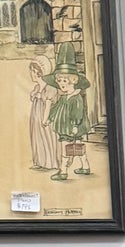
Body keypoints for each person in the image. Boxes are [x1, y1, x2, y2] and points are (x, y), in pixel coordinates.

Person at [44, 43, 92, 181]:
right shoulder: (64, 97)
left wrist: (76, 125)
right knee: (77, 148)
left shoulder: (76, 98)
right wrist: (50, 118)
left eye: (65, 81)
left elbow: (77, 114)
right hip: (64, 127)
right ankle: (85, 167)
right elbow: (56, 109)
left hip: (72, 128)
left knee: (68, 149)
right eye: (59, 81)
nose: (62, 84)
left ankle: (63, 171)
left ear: (74, 81)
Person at [27, 59, 60, 172]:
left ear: (39, 72)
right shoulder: (37, 88)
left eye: (33, 70)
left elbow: (47, 105)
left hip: (44, 117)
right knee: (37, 137)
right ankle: (39, 161)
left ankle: (50, 162)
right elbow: (33, 99)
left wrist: (45, 119)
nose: (31, 73)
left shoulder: (49, 88)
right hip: (36, 116)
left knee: (46, 137)